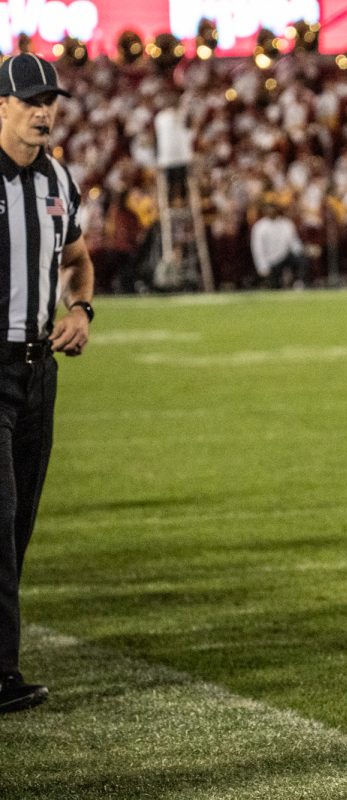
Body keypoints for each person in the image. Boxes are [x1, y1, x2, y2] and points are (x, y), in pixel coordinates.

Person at [0, 53, 94, 713]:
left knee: (19, 527)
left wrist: (81, 310)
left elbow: (78, 258)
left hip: (39, 369)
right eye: (29, 100)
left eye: (49, 100)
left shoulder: (60, 178)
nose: (43, 111)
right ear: (1, 105)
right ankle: (1, 672)